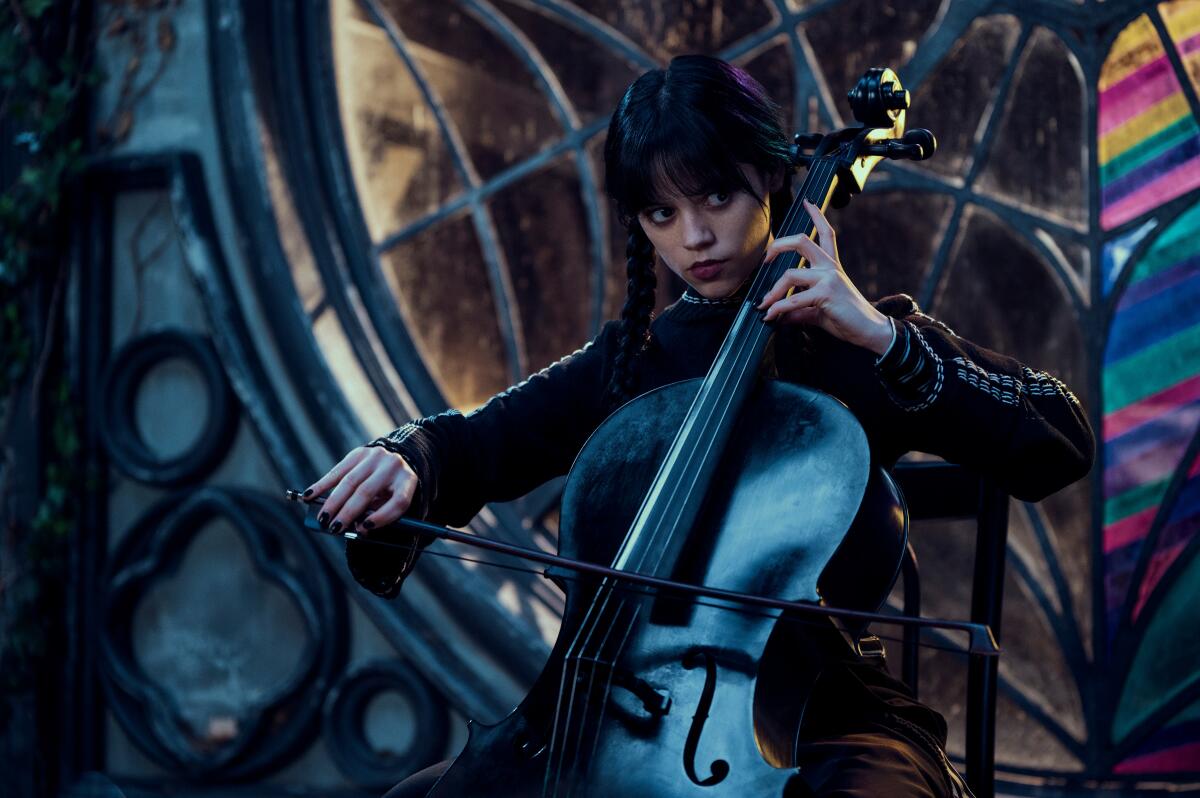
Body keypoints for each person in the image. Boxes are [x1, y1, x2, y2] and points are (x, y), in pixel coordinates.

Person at [303, 55, 1094, 798]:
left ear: (772, 182)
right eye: (662, 211)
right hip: (612, 710)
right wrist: (407, 458)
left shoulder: (853, 344)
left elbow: (1057, 435)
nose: (694, 236)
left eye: (717, 196)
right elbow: (477, 443)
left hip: (824, 715)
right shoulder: (631, 362)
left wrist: (882, 336)